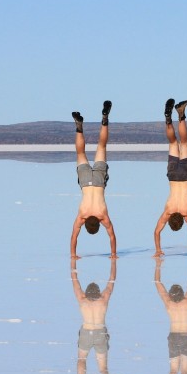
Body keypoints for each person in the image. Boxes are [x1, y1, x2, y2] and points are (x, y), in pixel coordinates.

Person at [153, 98, 187, 258]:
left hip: (186, 175)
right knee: (174, 142)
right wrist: (157, 249)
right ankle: (168, 119)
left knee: (185, 142)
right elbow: (157, 231)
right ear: (170, 220)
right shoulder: (167, 211)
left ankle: (181, 115)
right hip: (173, 175)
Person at [71, 100, 117, 260]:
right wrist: (73, 254)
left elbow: (111, 236)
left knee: (101, 147)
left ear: (98, 223)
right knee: (80, 153)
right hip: (85, 181)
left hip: (98, 181)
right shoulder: (81, 216)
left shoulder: (103, 216)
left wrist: (113, 254)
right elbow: (74, 237)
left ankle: (105, 119)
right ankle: (79, 127)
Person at [71, 257, 116, 374]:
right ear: (98, 292)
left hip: (86, 332)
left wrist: (73, 263)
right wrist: (113, 263)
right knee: (103, 368)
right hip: (100, 333)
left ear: (86, 292)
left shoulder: (82, 299)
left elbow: (74, 280)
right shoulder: (103, 300)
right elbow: (111, 281)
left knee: (81, 359)